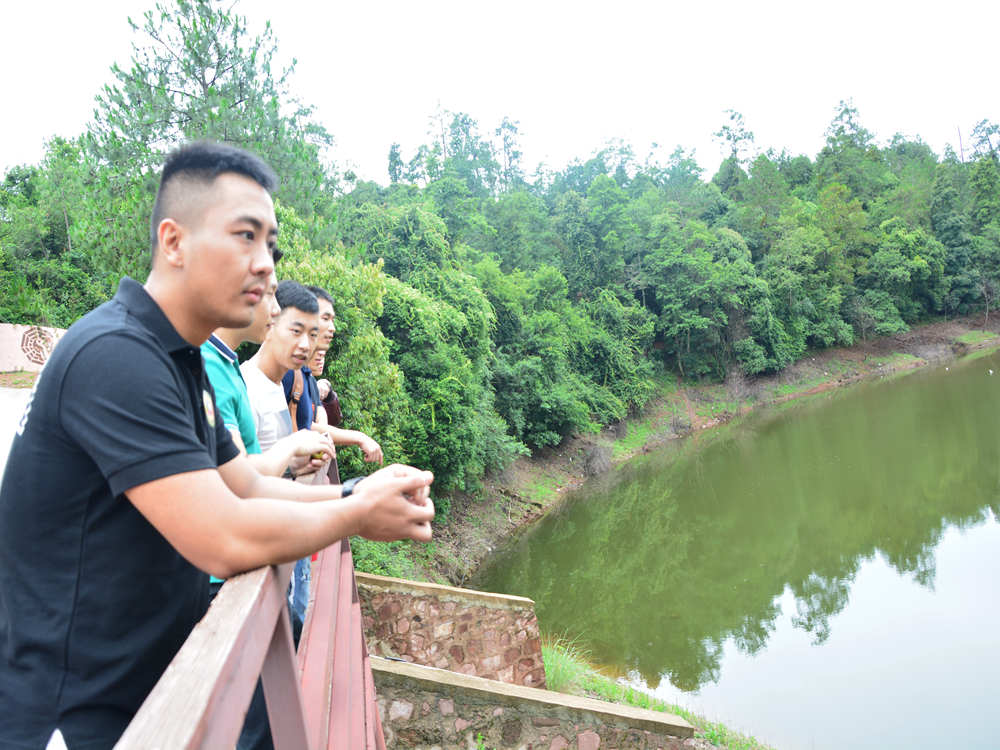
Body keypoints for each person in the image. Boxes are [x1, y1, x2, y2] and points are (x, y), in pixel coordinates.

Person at [0, 141, 435, 750]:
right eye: (245, 236)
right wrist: (358, 515)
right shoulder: (115, 356)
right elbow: (223, 538)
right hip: (70, 715)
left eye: (271, 246)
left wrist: (353, 490)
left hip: (143, 695)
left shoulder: (182, 365)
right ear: (174, 241)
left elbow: (248, 485)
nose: (266, 268)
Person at [203, 272, 333, 477]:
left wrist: (292, 466)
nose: (306, 345)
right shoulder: (224, 373)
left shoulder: (233, 367)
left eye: (313, 335)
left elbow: (258, 460)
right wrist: (293, 444)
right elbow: (239, 477)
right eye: (296, 331)